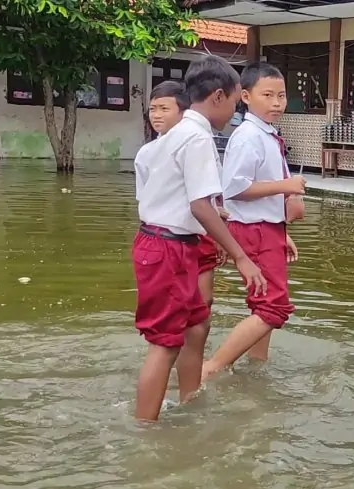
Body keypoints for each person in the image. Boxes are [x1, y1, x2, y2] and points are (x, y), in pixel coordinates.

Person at [131, 55, 267, 422]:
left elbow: (180, 199)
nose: (236, 115)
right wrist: (239, 254)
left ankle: (191, 402)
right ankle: (145, 431)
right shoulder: (196, 137)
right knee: (164, 345)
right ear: (219, 96)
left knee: (198, 325)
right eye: (237, 104)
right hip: (167, 246)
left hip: (169, 242)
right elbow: (200, 206)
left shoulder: (176, 135)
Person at [202, 62, 306, 379]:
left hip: (267, 228)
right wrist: (285, 187)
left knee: (264, 306)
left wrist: (280, 228)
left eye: (282, 96)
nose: (276, 103)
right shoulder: (248, 136)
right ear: (245, 96)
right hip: (254, 231)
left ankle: (256, 367)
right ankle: (211, 368)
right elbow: (235, 188)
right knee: (274, 308)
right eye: (268, 95)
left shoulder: (266, 134)